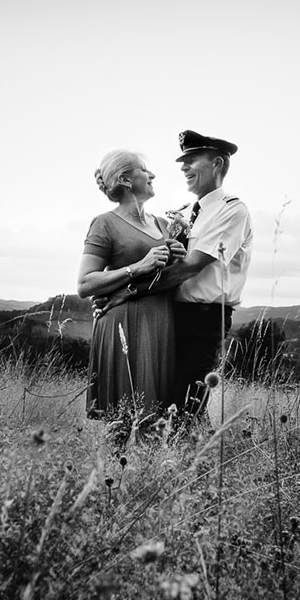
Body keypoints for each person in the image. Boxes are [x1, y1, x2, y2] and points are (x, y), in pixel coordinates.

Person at [97, 130, 253, 413]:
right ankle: (179, 455)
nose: (183, 167)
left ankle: (191, 454)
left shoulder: (231, 210)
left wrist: (126, 293)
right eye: (183, 161)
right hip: (167, 316)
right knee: (161, 404)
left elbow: (191, 267)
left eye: (192, 159)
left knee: (185, 405)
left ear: (217, 164)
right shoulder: (188, 212)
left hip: (202, 319)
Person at [78, 150, 186, 418]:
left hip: (163, 324)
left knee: (158, 421)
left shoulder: (164, 224)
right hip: (124, 326)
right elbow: (85, 283)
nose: (152, 175)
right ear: (126, 179)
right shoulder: (104, 223)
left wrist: (177, 259)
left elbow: (168, 278)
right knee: (122, 420)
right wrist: (138, 267)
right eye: (144, 169)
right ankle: (114, 462)